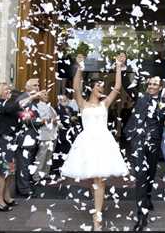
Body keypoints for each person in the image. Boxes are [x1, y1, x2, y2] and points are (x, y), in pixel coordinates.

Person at [60, 54, 128, 231]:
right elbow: (75, 87)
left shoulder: (104, 104)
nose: (102, 87)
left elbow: (118, 86)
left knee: (99, 179)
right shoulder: (82, 103)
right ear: (92, 88)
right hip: (87, 143)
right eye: (99, 85)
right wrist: (80, 67)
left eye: (103, 85)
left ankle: (97, 216)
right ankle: (99, 205)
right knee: (94, 180)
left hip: (103, 142)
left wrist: (118, 66)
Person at [122, 56, 165, 231]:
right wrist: (123, 66)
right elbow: (129, 86)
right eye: (149, 84)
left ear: (160, 87)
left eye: (154, 85)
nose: (151, 86)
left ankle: (148, 197)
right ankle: (141, 216)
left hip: (154, 142)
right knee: (141, 176)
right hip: (137, 141)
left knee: (150, 173)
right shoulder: (141, 97)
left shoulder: (164, 102)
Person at [15, 78, 47, 196]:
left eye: (38, 85)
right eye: (34, 85)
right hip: (25, 138)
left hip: (32, 137)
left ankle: (27, 185)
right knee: (23, 164)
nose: (37, 87)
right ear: (27, 87)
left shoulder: (34, 102)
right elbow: (26, 119)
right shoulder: (24, 99)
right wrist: (42, 121)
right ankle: (23, 189)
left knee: (29, 163)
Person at [0, 83, 22, 211]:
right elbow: (9, 109)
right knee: (2, 172)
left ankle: (6, 196)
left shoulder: (9, 104)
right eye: (5, 89)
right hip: (2, 142)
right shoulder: (0, 104)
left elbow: (16, 117)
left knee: (10, 171)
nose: (8, 91)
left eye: (9, 89)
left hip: (11, 141)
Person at [32, 91, 59, 183]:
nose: (47, 96)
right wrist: (52, 120)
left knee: (48, 156)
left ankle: (45, 173)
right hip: (44, 135)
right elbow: (40, 120)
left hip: (53, 134)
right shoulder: (38, 106)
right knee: (41, 156)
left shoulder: (50, 106)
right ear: (39, 96)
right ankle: (36, 175)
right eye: (44, 95)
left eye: (47, 94)